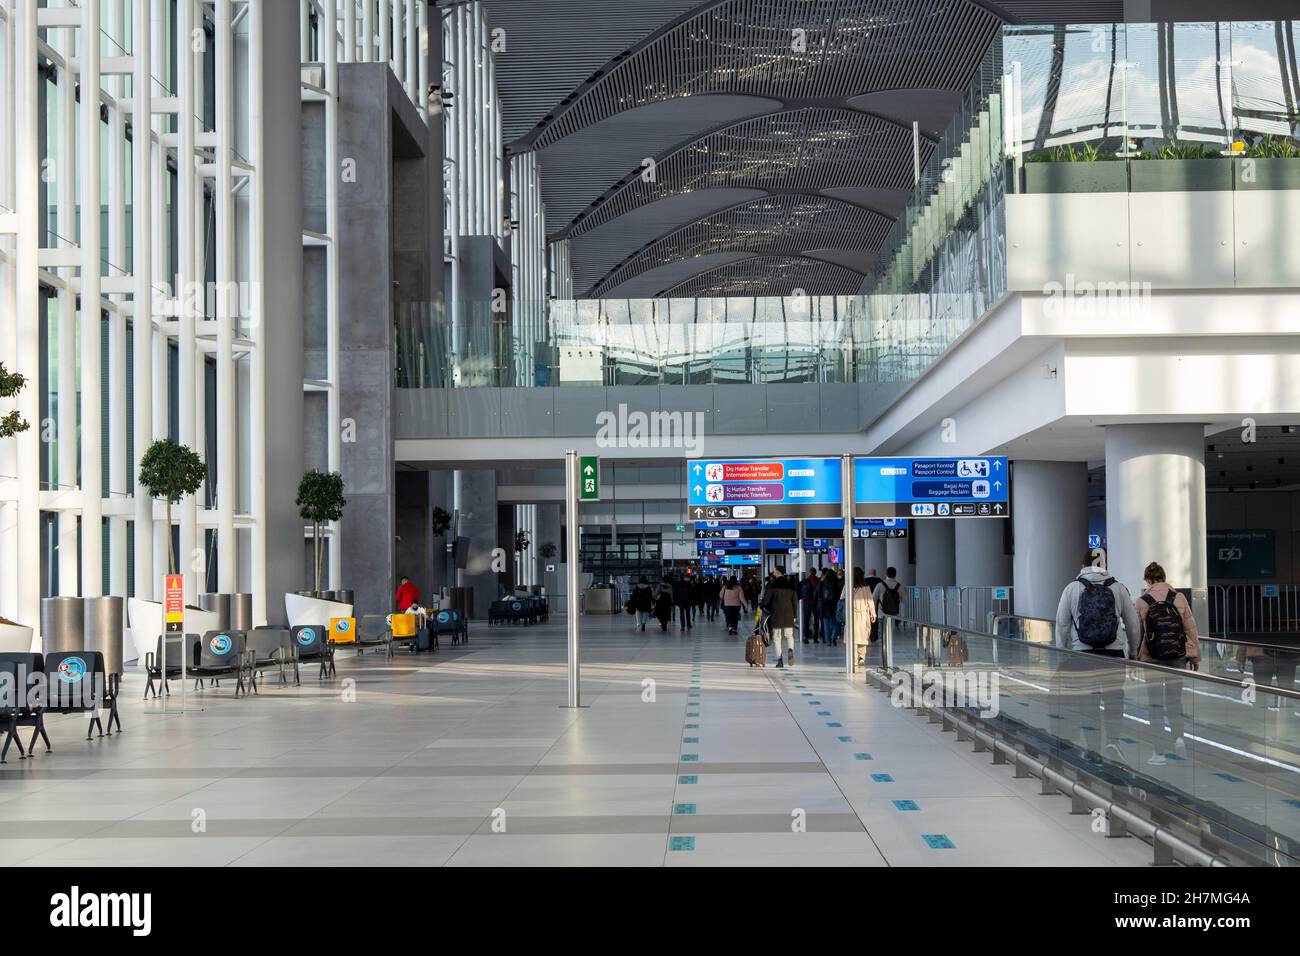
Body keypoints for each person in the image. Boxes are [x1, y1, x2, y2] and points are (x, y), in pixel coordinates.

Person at [1054, 551, 1141, 764]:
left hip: (1082, 653)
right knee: (1113, 698)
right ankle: (1113, 741)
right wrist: (1133, 651)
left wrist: (1063, 654)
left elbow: (1062, 625)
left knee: (1088, 701)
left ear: (1083, 564)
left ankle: (1093, 749)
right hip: (1113, 653)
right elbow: (1132, 624)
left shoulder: (1072, 588)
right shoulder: (1118, 588)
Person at [1134, 561, 1201, 765]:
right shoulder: (1178, 597)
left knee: (1155, 705)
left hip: (1152, 658)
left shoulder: (1142, 601)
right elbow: (1190, 628)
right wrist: (1194, 656)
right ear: (1164, 577)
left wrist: (1134, 655)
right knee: (1174, 701)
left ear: (1148, 579)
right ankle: (1179, 739)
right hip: (1176, 657)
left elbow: (1138, 633)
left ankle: (1158, 752)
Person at [761, 565, 800, 668]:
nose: (773, 571)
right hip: (789, 613)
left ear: (778, 572)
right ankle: (790, 649)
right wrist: (794, 614)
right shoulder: (791, 584)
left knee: (777, 637)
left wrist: (761, 605)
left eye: (774, 570)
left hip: (776, 614)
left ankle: (780, 660)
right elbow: (795, 601)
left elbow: (766, 600)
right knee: (789, 635)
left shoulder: (773, 584)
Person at [850, 567, 878, 665]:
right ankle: (861, 657)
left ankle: (854, 658)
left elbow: (842, 599)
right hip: (863, 615)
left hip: (851, 615)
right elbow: (870, 601)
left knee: (853, 637)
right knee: (863, 635)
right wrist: (873, 614)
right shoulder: (866, 587)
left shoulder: (848, 586)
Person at [819, 568, 843, 645]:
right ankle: (834, 636)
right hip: (834, 605)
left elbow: (816, 594)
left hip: (825, 606)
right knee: (835, 623)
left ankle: (828, 641)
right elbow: (840, 594)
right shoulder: (836, 583)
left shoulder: (822, 583)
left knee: (826, 624)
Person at [863, 567, 884, 643]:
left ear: (869, 573)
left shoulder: (864, 581)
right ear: (875, 573)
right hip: (876, 603)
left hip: (866, 602)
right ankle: (874, 636)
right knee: (874, 618)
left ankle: (867, 634)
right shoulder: (880, 581)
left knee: (866, 619)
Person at [800, 569, 820, 643]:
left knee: (806, 620)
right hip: (815, 602)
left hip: (806, 603)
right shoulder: (818, 580)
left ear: (809, 572)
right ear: (815, 572)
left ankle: (805, 637)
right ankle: (815, 638)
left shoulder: (806, 580)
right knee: (816, 620)